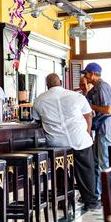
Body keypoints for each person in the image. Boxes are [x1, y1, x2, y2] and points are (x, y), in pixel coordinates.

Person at [33, 73, 99, 210]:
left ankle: (64, 201)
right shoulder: (77, 96)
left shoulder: (39, 100)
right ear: (61, 82)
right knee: (86, 170)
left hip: (57, 144)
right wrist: (87, 133)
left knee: (60, 170)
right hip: (79, 139)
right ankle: (91, 202)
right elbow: (88, 115)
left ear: (47, 85)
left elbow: (36, 120)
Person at [83, 62, 111, 201]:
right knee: (97, 161)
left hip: (105, 125)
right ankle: (98, 194)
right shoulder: (95, 88)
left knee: (104, 161)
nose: (85, 76)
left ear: (92, 74)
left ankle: (108, 195)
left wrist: (91, 105)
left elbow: (108, 110)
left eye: (86, 74)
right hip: (101, 126)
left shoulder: (102, 86)